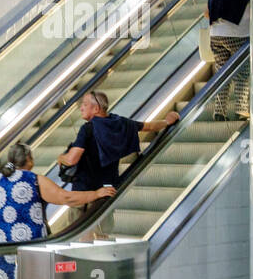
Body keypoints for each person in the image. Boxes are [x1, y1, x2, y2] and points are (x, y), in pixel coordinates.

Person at [0, 143, 116, 279]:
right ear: (29, 159)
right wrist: (96, 194)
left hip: (0, 240)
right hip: (30, 240)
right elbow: (66, 198)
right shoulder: (34, 180)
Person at [56, 91, 179, 239]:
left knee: (81, 237)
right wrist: (167, 122)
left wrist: (61, 157)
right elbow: (150, 126)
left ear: (96, 109)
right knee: (104, 235)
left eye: (85, 104)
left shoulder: (88, 129)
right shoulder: (120, 123)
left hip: (83, 193)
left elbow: (72, 159)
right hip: (108, 189)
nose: (81, 108)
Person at [206, 0, 250, 120]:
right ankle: (241, 110)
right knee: (242, 71)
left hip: (215, 35)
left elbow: (207, 12)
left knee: (222, 72)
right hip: (237, 35)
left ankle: (219, 111)